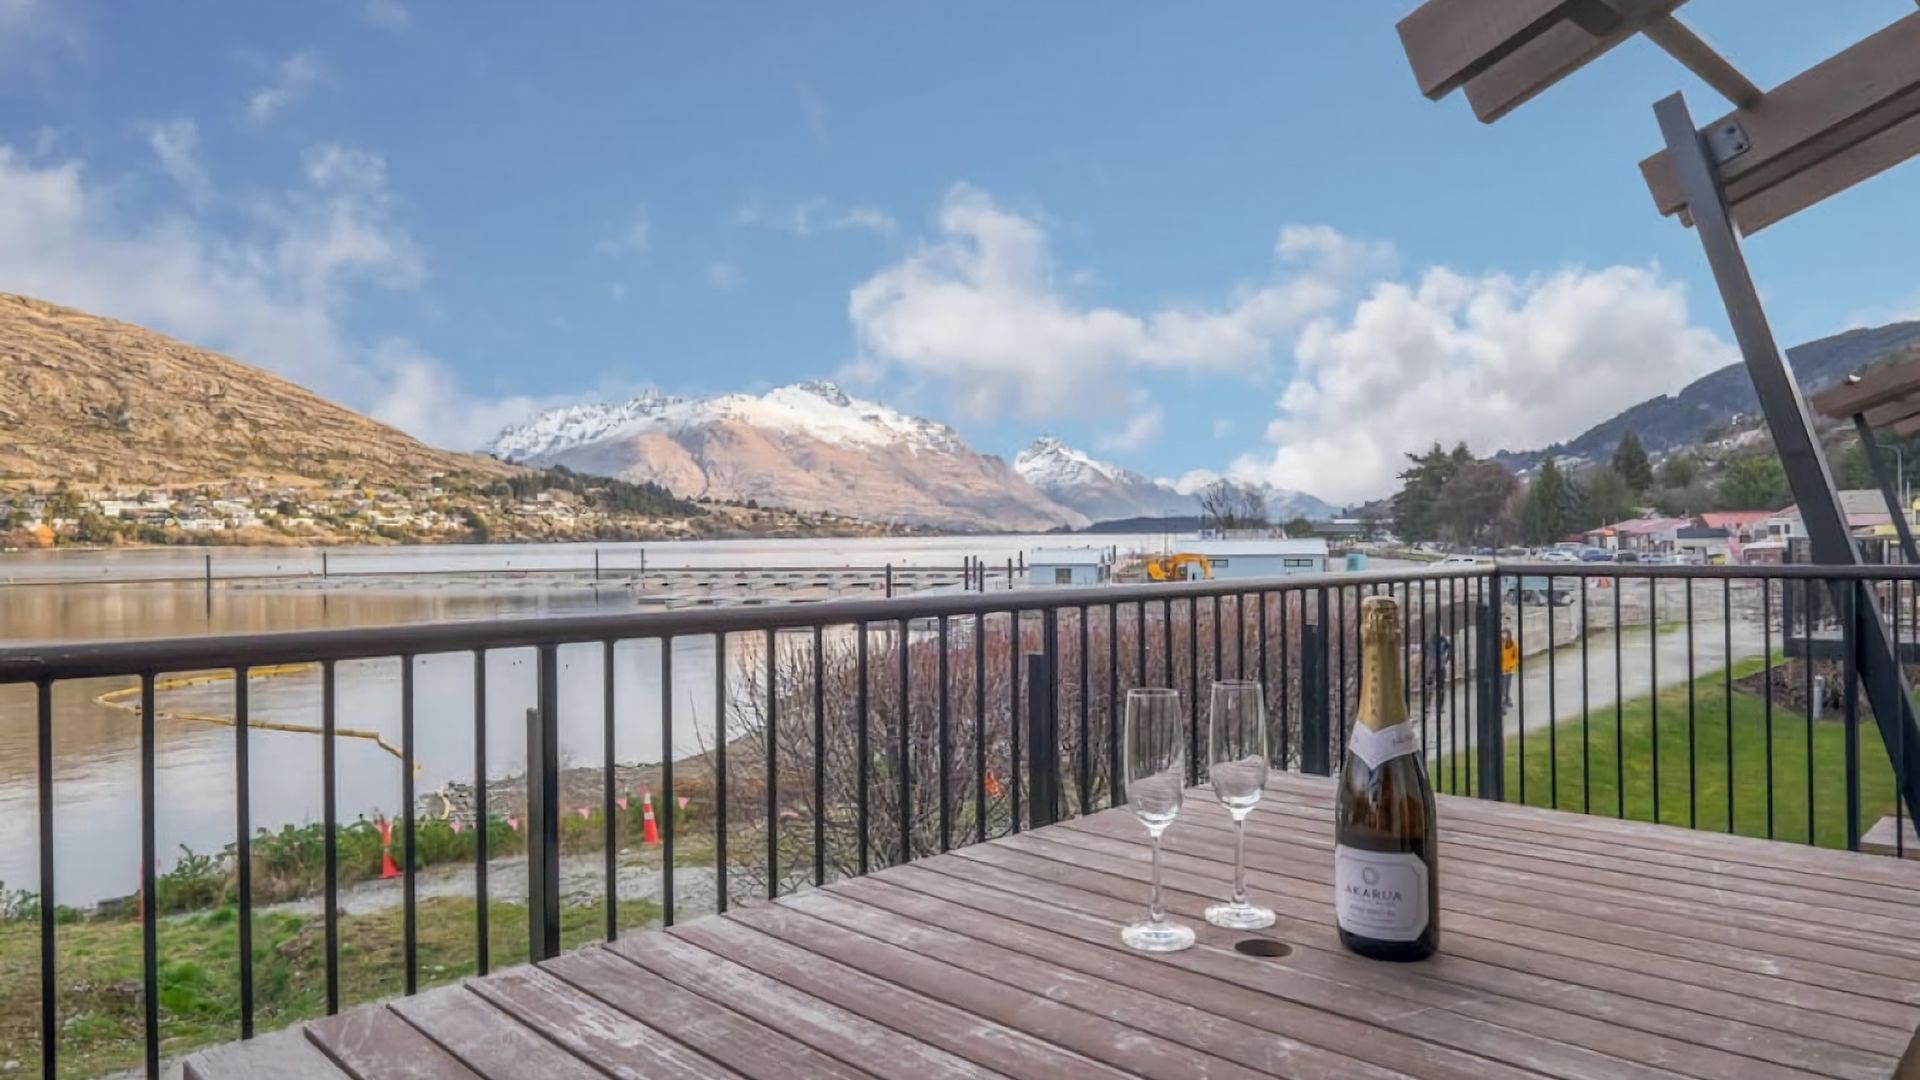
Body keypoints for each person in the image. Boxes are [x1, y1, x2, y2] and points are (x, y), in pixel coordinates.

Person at [1500, 627, 1519, 710]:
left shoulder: (1514, 645)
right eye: (1503, 635)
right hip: (1503, 670)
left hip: (1510, 670)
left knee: (1508, 686)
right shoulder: (1501, 645)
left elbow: (1516, 658)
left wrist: (1511, 666)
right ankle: (1502, 704)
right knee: (1503, 688)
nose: (1504, 637)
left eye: (1506, 635)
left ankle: (1507, 700)